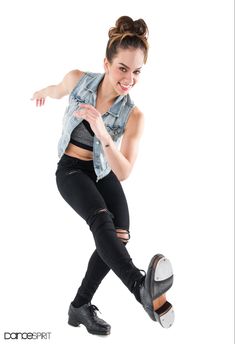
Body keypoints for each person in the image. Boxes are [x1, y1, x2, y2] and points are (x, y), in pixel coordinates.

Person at [31, 16, 174, 336]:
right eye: (123, 68)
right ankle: (140, 288)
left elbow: (123, 171)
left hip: (103, 172)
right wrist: (43, 90)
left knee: (120, 235)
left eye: (137, 72)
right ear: (106, 63)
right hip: (71, 170)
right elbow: (57, 90)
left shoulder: (133, 115)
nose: (129, 79)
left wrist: (102, 132)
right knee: (102, 221)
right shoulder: (78, 80)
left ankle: (79, 307)